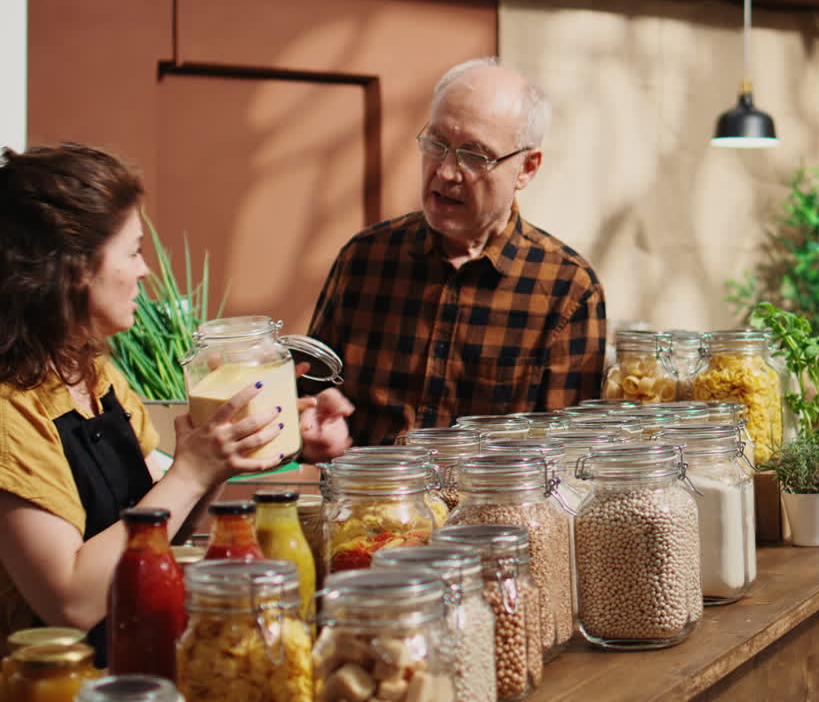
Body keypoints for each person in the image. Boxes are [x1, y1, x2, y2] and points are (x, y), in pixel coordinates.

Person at [0, 143, 353, 659]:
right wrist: (187, 473)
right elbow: (69, 601)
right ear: (74, 268)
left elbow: (159, 532)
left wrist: (212, 465)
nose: (145, 271)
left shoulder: (95, 376)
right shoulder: (13, 410)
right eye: (132, 251)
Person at [307, 57, 607, 445]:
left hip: (494, 505)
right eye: (436, 144)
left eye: (474, 156)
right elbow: (310, 394)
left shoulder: (567, 288)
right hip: (368, 503)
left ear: (527, 168)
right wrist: (315, 420)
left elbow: (569, 458)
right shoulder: (364, 259)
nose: (446, 172)